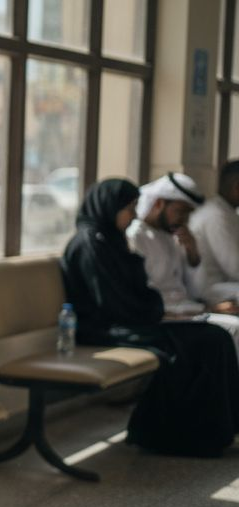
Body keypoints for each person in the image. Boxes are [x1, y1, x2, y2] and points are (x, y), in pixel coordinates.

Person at [62, 178, 239, 456]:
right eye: (129, 208)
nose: (133, 215)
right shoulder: (90, 244)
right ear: (111, 207)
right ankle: (166, 434)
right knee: (197, 343)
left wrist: (154, 308)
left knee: (215, 338)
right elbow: (111, 302)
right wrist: (156, 311)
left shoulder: (109, 240)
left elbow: (137, 291)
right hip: (105, 328)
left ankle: (215, 431)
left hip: (133, 319)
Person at [127, 172, 239, 353]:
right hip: (166, 316)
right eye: (180, 212)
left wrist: (192, 252)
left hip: (187, 309)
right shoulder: (135, 237)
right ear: (158, 203)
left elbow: (192, 289)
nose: (184, 221)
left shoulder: (171, 238)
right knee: (234, 329)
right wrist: (205, 308)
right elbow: (147, 297)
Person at [186, 159, 239, 309]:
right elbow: (235, 268)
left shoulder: (227, 213)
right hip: (211, 289)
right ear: (237, 187)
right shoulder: (216, 216)